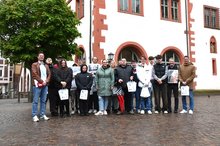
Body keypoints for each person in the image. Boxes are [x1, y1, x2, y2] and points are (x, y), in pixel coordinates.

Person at [31, 52, 51, 122]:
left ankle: (42, 114)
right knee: (35, 101)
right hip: (37, 85)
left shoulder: (46, 65)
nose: (42, 57)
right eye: (40, 56)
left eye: (43, 56)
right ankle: (34, 115)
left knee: (43, 101)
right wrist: (42, 81)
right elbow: (34, 74)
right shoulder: (34, 64)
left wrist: (46, 81)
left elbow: (49, 74)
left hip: (45, 85)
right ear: (38, 57)